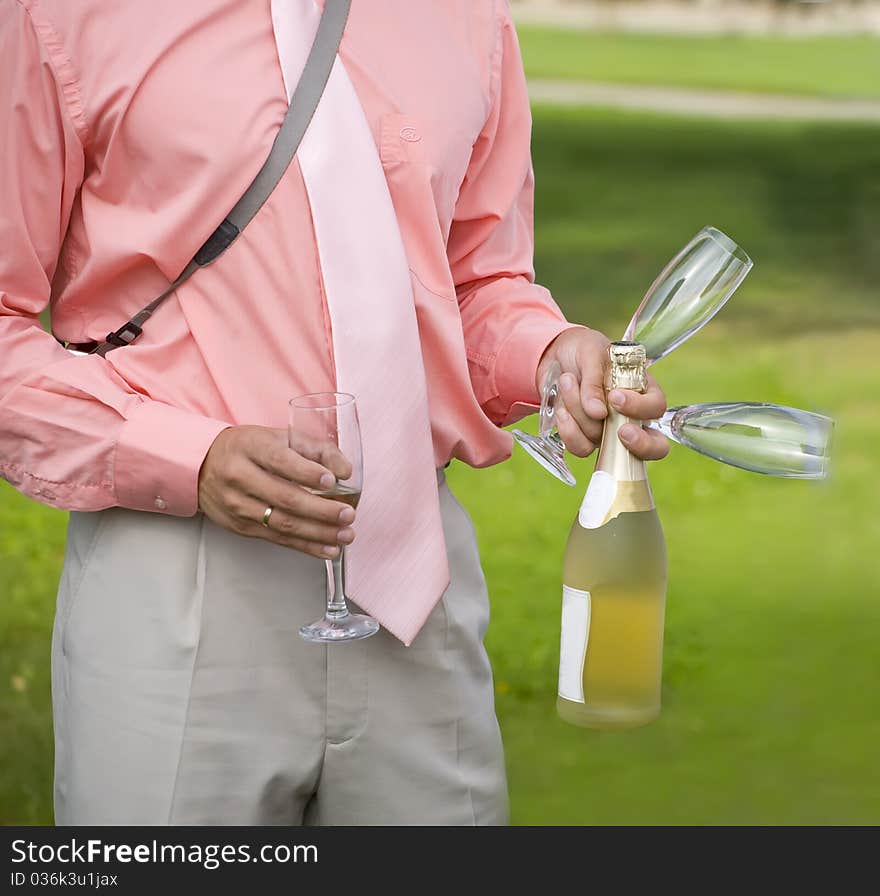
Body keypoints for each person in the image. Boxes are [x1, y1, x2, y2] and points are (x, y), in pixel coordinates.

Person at [0, 0, 669, 825]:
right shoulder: (54, 14)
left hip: (416, 578)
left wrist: (548, 354)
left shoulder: (467, 16)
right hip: (177, 579)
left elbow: (479, 280)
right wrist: (188, 458)